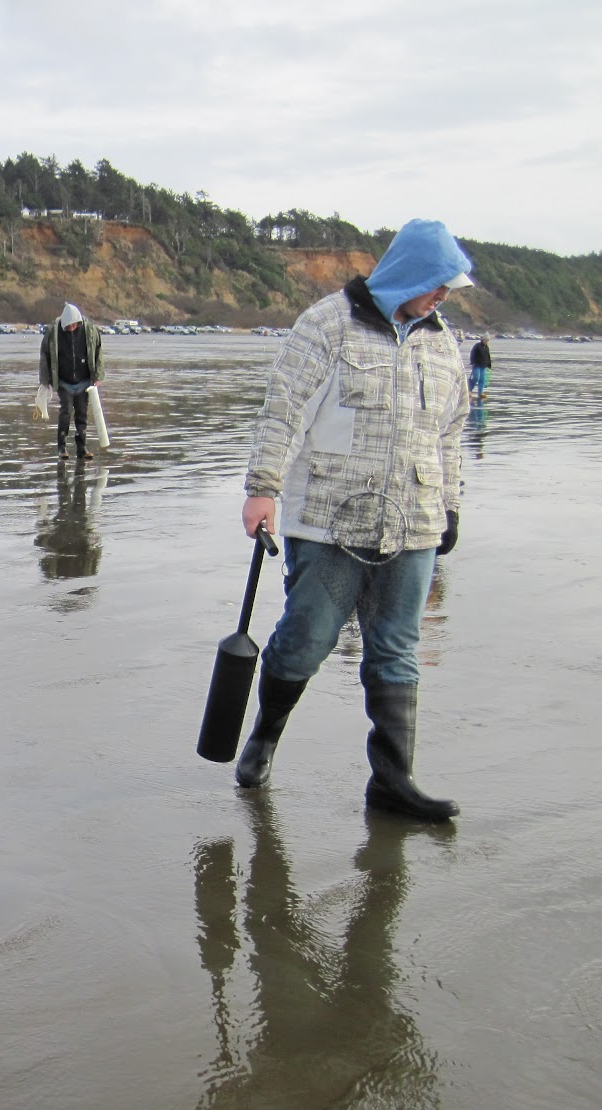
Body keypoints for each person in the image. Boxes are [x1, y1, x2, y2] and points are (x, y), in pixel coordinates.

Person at [233, 218, 472, 823]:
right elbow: (282, 413)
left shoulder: (443, 342)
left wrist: (450, 504)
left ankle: (393, 782)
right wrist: (262, 490)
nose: (445, 295)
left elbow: (449, 434)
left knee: (396, 650)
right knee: (305, 643)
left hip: (413, 522)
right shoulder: (327, 325)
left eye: (451, 286)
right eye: (439, 283)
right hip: (328, 522)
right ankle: (264, 738)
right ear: (409, 273)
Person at [39, 302, 104, 460]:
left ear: (78, 322)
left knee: (82, 414)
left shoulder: (90, 331)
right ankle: (61, 447)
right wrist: (45, 379)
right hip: (63, 381)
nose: (71, 329)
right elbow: (45, 355)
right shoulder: (53, 332)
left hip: (84, 381)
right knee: (66, 411)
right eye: (68, 327)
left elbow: (98, 352)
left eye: (73, 326)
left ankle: (82, 447)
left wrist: (98, 376)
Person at [468, 333, 492, 401]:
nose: (487, 341)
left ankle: (480, 393)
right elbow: (472, 354)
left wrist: (489, 365)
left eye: (488, 340)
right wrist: (473, 362)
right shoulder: (477, 346)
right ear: (483, 339)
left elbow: (488, 356)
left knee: (482, 380)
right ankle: (469, 390)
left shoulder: (486, 347)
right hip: (476, 365)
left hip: (483, 366)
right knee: (476, 378)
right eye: (486, 340)